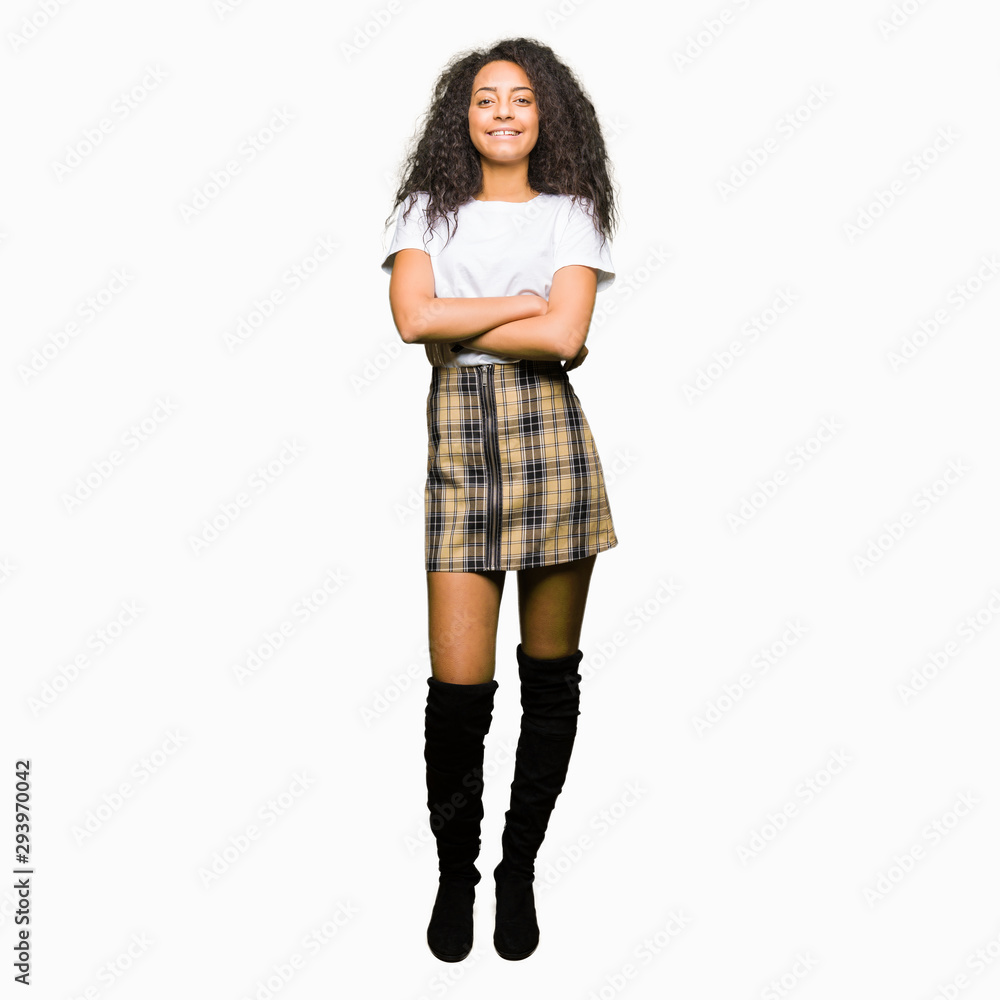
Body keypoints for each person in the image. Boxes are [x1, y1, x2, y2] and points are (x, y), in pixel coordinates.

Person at [380, 36, 620, 963]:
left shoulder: (576, 211)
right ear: (462, 115)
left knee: (549, 678)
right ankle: (456, 873)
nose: (506, 112)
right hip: (461, 443)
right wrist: (527, 308)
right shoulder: (423, 209)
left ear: (546, 112)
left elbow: (566, 334)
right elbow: (410, 320)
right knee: (457, 695)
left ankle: (519, 871)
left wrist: (493, 318)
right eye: (487, 99)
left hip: (551, 441)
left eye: (522, 99)